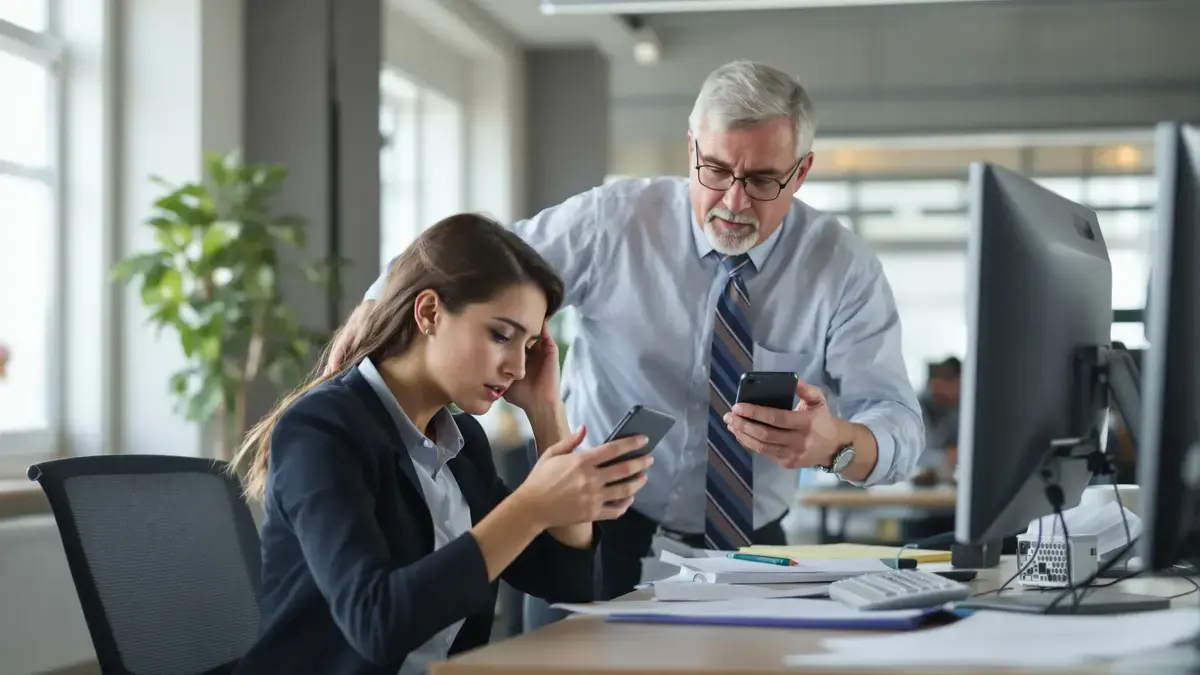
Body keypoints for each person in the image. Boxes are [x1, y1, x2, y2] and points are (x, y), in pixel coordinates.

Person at [327, 60, 924, 602]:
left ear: (802, 172)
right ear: (690, 148)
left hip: (754, 550)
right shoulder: (616, 221)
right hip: (601, 523)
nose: (734, 201)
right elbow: (479, 267)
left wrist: (837, 443)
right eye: (715, 170)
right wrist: (378, 309)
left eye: (763, 180)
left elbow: (899, 424)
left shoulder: (841, 267)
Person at [231, 214, 654, 675]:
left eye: (529, 344)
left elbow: (568, 584)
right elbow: (375, 622)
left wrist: (546, 409)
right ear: (429, 313)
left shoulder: (461, 442)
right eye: (500, 335)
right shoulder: (321, 429)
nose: (516, 365)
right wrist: (531, 507)